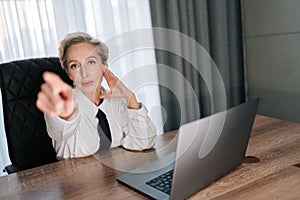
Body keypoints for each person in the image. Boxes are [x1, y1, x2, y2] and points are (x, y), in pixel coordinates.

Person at [36, 32, 157, 159]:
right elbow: (60, 128)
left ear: (104, 65)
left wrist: (131, 99)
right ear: (69, 73)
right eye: (75, 65)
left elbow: (144, 142)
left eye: (91, 62)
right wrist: (65, 115)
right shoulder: (62, 104)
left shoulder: (116, 101)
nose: (84, 73)